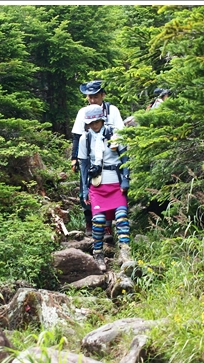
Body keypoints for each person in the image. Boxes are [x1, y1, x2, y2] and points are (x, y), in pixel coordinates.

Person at [77, 104, 131, 272]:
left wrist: (126, 180)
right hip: (97, 183)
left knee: (122, 217)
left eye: (97, 122)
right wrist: (84, 189)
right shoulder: (84, 139)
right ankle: (98, 253)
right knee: (98, 221)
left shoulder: (114, 134)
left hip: (115, 180)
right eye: (91, 123)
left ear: (102, 120)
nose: (94, 125)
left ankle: (125, 252)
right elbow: (84, 165)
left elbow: (125, 158)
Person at [70, 80, 124, 237]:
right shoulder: (82, 112)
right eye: (90, 97)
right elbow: (77, 135)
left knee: (109, 189)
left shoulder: (112, 111)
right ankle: (89, 222)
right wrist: (74, 157)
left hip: (110, 157)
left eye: (95, 96)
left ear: (102, 95)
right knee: (86, 189)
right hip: (88, 155)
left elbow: (121, 132)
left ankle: (107, 225)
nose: (92, 100)